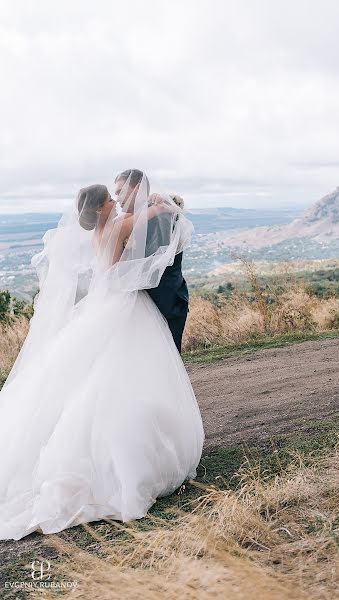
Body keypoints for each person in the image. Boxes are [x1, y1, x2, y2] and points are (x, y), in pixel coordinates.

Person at [0, 171, 204, 541]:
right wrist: (162, 202)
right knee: (120, 373)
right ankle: (124, 458)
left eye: (117, 194)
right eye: (111, 198)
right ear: (101, 207)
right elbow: (158, 214)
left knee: (91, 375)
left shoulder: (99, 231)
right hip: (122, 304)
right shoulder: (122, 223)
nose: (116, 199)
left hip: (102, 304)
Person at [115, 169, 189, 353]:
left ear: (138, 188)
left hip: (165, 301)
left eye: (120, 191)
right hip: (140, 304)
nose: (117, 198)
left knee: (167, 358)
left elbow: (153, 264)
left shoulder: (160, 215)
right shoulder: (134, 219)